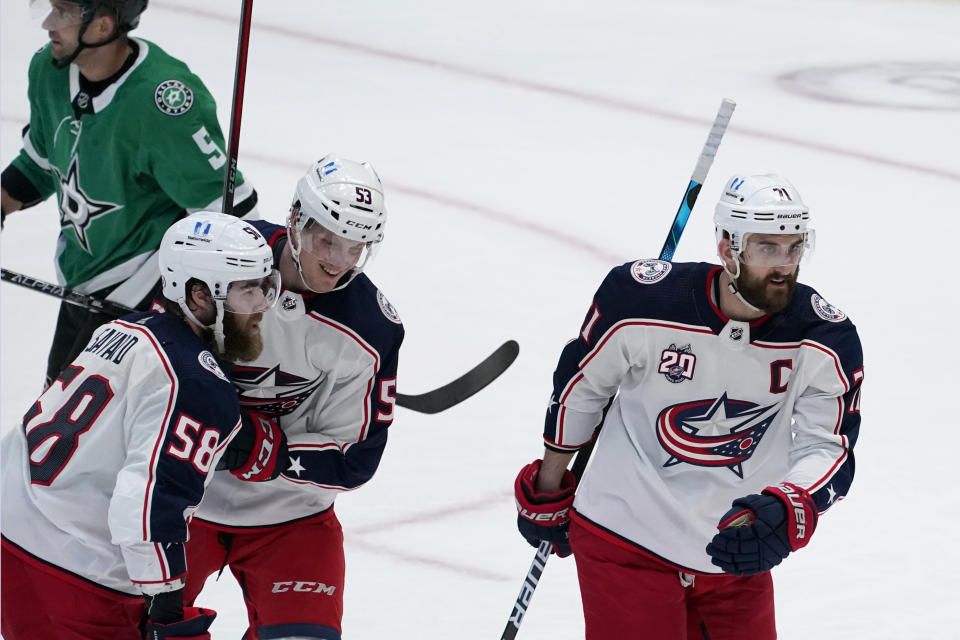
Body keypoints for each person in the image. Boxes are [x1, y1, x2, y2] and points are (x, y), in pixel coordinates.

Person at [513, 174, 864, 639]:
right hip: (625, 537)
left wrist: (788, 506)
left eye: (794, 248)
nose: (784, 265)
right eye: (766, 248)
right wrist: (550, 483)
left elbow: (829, 446)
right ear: (728, 248)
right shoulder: (640, 301)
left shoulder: (824, 336)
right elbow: (584, 387)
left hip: (735, 550)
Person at [1, 211, 280, 640]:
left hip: (12, 530)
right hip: (74, 573)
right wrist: (167, 606)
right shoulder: (199, 383)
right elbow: (149, 500)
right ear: (200, 295)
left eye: (263, 286)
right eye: (248, 289)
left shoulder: (121, 328)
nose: (263, 303)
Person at [183, 155, 405, 640]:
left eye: (356, 248)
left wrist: (268, 451)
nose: (338, 261)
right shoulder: (224, 257)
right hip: (183, 500)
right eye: (328, 239)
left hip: (290, 518)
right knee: (125, 625)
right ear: (295, 220)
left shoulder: (370, 327)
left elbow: (355, 459)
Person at [1, 0, 258, 388]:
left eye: (64, 13)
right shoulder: (48, 70)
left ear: (102, 26)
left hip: (147, 303)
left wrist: (197, 303)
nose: (49, 23)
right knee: (57, 427)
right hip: (83, 283)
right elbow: (39, 163)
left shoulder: (164, 101)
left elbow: (232, 213)